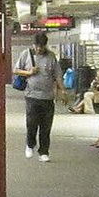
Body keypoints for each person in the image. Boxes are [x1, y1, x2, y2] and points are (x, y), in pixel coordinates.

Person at [21, 31, 61, 160]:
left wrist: (63, 90)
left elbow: (57, 75)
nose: (39, 49)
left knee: (46, 126)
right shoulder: (26, 54)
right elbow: (16, 70)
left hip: (48, 97)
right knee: (31, 123)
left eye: (42, 46)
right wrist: (29, 72)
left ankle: (44, 152)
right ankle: (30, 144)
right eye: (37, 46)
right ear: (34, 45)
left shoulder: (51, 56)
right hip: (31, 96)